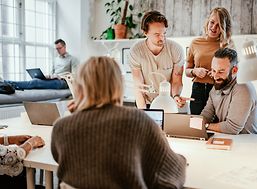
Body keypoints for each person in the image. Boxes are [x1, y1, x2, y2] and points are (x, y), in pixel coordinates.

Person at [51, 56, 186, 188]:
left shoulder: (61, 127)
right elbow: (172, 174)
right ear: (118, 85)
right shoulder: (137, 121)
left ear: (80, 86)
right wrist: (179, 157)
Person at [129, 10, 187, 109]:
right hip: (145, 101)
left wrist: (176, 96)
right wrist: (143, 111)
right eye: (157, 34)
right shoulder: (136, 51)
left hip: (167, 102)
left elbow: (177, 80)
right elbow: (139, 85)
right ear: (145, 33)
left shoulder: (176, 50)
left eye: (164, 33)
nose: (162, 37)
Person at [201, 48, 257, 135]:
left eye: (221, 72)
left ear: (234, 70)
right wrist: (194, 123)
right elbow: (207, 114)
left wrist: (206, 126)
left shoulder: (243, 88)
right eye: (213, 70)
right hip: (229, 139)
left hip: (249, 143)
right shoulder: (217, 85)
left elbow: (232, 128)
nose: (215, 76)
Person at [186, 7, 234, 115]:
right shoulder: (195, 43)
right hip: (197, 90)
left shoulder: (228, 45)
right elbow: (187, 71)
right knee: (196, 126)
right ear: (207, 21)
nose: (213, 27)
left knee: (214, 126)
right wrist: (195, 71)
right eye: (212, 22)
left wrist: (217, 74)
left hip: (218, 90)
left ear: (224, 28)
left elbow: (233, 73)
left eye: (219, 26)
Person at [5, 39, 79, 90]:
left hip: (64, 82)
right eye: (56, 49)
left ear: (65, 47)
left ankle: (8, 83)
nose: (58, 50)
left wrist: (61, 77)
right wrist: (49, 76)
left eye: (59, 48)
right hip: (54, 79)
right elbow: (52, 73)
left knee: (35, 82)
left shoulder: (73, 59)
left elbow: (74, 76)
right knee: (36, 79)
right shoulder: (55, 59)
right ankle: (8, 84)